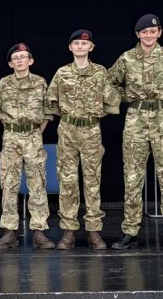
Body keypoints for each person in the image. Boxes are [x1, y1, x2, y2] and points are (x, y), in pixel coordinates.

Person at [108, 14, 163, 250]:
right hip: (136, 119)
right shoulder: (127, 58)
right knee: (133, 177)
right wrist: (128, 97)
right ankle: (130, 230)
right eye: (144, 32)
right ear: (138, 34)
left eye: (152, 31)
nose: (148, 35)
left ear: (159, 33)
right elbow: (110, 83)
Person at [46, 30, 121, 250]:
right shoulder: (62, 73)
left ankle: (94, 232)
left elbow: (113, 101)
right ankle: (68, 231)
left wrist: (94, 115)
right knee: (68, 182)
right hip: (68, 131)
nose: (80, 47)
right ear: (70, 47)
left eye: (84, 44)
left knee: (92, 182)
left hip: (91, 131)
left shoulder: (100, 72)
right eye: (76, 43)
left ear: (91, 47)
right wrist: (69, 116)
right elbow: (51, 102)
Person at [0, 42, 54, 249]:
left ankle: (39, 231)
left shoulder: (40, 83)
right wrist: (13, 130)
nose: (19, 60)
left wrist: (34, 132)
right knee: (8, 184)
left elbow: (46, 113)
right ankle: (9, 232)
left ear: (31, 61)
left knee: (37, 184)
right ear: (10, 63)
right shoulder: (4, 84)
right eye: (15, 58)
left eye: (23, 57)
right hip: (10, 136)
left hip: (33, 136)